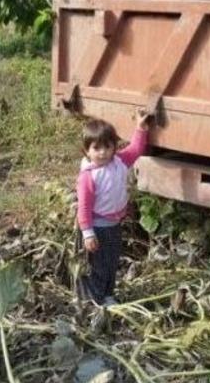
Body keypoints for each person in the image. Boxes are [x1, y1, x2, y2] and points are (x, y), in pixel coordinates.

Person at [77, 112, 150, 306]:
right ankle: (97, 299)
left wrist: (140, 128)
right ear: (87, 151)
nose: (103, 152)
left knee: (112, 261)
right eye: (96, 148)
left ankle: (108, 294)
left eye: (108, 146)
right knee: (99, 265)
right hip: (98, 227)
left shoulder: (119, 161)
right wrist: (87, 233)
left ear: (114, 147)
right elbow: (83, 208)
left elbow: (135, 149)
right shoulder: (89, 176)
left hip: (114, 225)